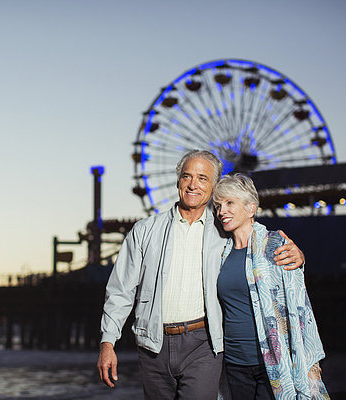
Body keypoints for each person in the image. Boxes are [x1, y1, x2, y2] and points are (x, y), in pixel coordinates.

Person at [97, 150, 305, 400]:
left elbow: (257, 245)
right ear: (178, 182)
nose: (193, 184)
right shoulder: (145, 231)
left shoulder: (225, 231)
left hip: (204, 344)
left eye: (202, 178)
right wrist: (108, 343)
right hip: (152, 345)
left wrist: (296, 255)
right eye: (187, 176)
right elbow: (121, 290)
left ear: (215, 185)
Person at [213, 173, 329, 400]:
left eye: (229, 203)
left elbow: (299, 303)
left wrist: (300, 258)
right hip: (234, 363)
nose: (221, 211)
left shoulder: (275, 244)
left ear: (250, 208)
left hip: (273, 361)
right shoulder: (220, 252)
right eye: (218, 206)